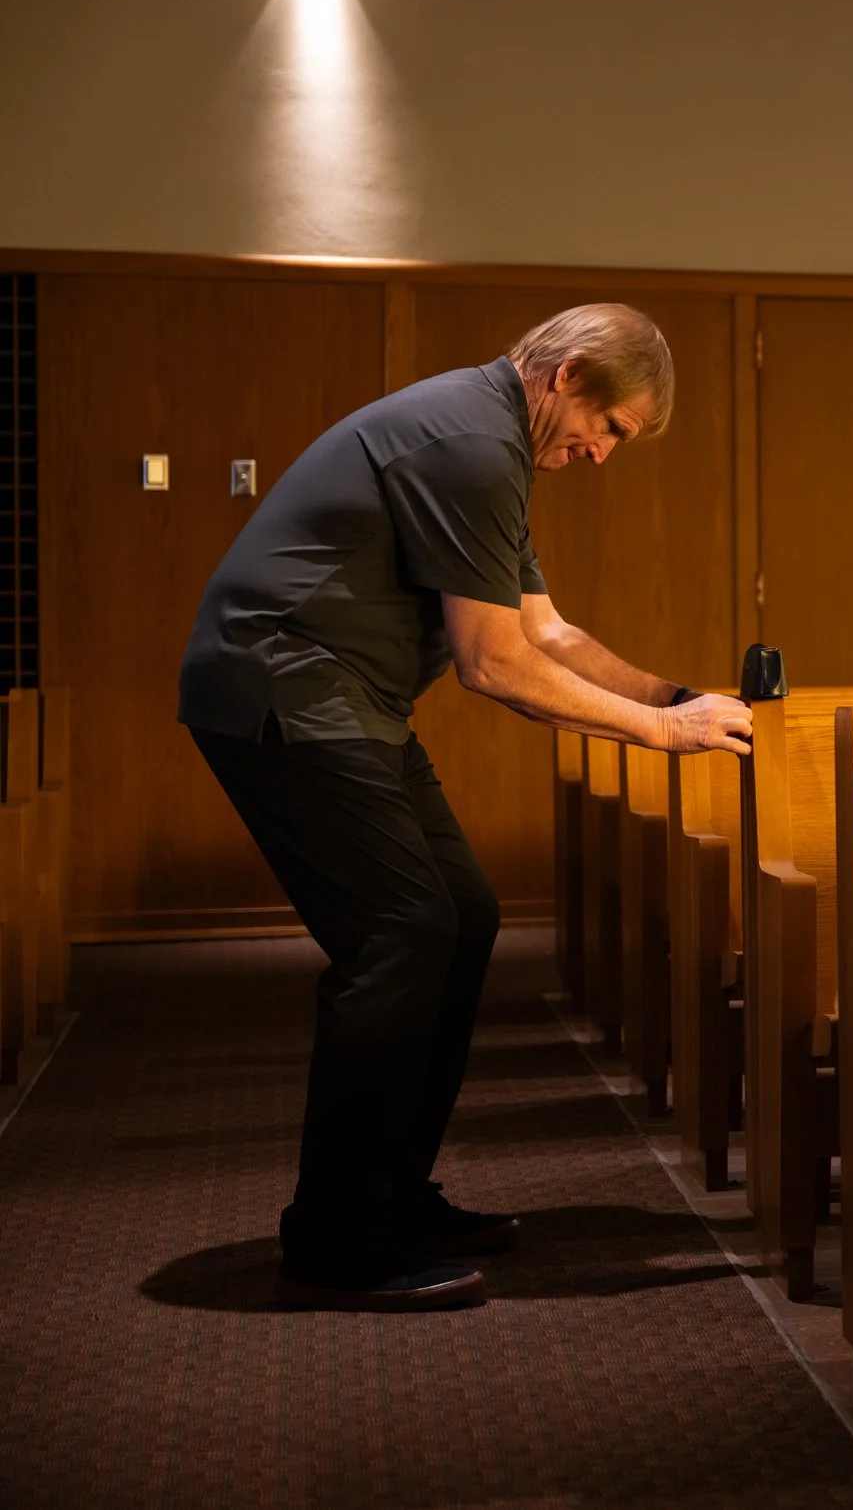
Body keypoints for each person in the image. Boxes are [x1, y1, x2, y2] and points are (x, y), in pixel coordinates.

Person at [178, 303, 753, 1312]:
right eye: (610, 428)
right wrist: (661, 738)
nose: (602, 454)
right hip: (281, 692)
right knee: (402, 930)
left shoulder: (489, 440)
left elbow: (552, 633)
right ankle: (335, 1236)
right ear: (568, 375)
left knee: (463, 914)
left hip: (341, 700)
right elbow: (496, 664)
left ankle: (394, 1194)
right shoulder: (472, 442)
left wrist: (676, 697)